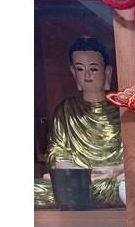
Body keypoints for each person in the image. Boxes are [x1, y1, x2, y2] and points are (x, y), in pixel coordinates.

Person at [46, 36, 124, 178]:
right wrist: (79, 173)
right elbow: (56, 152)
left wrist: (116, 169)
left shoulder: (121, 108)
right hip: (77, 180)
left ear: (107, 72)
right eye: (80, 69)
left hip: (113, 177)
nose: (87, 75)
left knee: (127, 184)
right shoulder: (65, 110)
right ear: (73, 72)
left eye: (93, 69)